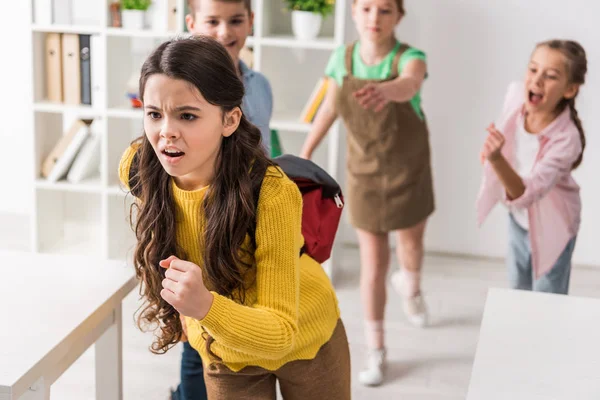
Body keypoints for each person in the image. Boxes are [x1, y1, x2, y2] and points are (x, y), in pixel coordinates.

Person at [119, 35, 350, 400]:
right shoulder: (141, 167)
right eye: (154, 113)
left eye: (188, 115)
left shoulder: (271, 192)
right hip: (223, 348)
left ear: (230, 120)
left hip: (306, 338)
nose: (166, 133)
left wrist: (204, 307)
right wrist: (199, 315)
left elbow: (280, 331)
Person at [300, 0, 435, 387]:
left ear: (399, 17)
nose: (375, 17)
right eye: (367, 8)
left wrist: (388, 89)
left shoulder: (411, 58)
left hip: (409, 172)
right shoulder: (340, 61)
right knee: (373, 264)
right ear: (355, 13)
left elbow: (410, 82)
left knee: (410, 247)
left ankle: (412, 285)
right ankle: (377, 349)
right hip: (364, 175)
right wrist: (306, 152)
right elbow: (329, 108)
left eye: (385, 10)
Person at [477, 39, 587, 296]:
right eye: (533, 69)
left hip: (555, 226)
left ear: (570, 89)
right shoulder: (516, 93)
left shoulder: (567, 139)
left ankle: (547, 336)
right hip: (518, 220)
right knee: (517, 287)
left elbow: (527, 194)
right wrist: (491, 154)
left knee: (547, 295)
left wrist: (496, 160)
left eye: (550, 76)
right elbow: (506, 139)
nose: (536, 81)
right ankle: (520, 335)